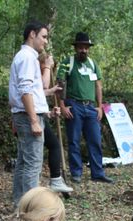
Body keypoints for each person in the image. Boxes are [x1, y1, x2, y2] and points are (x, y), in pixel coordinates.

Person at [9, 21, 60, 206]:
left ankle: (19, 204)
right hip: (27, 117)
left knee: (24, 162)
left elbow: (33, 91)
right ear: (32, 34)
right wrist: (33, 120)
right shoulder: (27, 57)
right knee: (32, 165)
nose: (45, 42)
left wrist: (46, 112)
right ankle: (29, 210)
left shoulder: (26, 57)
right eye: (44, 37)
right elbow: (25, 91)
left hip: (26, 115)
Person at [56, 32, 114, 184]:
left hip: (90, 107)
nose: (84, 50)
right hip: (74, 105)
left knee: (95, 140)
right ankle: (76, 173)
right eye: (81, 47)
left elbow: (98, 86)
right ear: (76, 48)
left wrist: (100, 106)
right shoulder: (67, 62)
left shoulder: (93, 64)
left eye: (86, 47)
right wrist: (62, 105)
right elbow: (60, 84)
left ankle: (98, 172)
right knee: (74, 140)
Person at [39, 54, 73, 194]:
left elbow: (37, 100)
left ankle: (55, 179)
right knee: (52, 146)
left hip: (38, 116)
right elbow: (36, 91)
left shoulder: (40, 73)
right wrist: (52, 90)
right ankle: (55, 179)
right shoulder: (35, 73)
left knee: (53, 145)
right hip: (29, 119)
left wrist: (50, 113)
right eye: (48, 66)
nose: (50, 69)